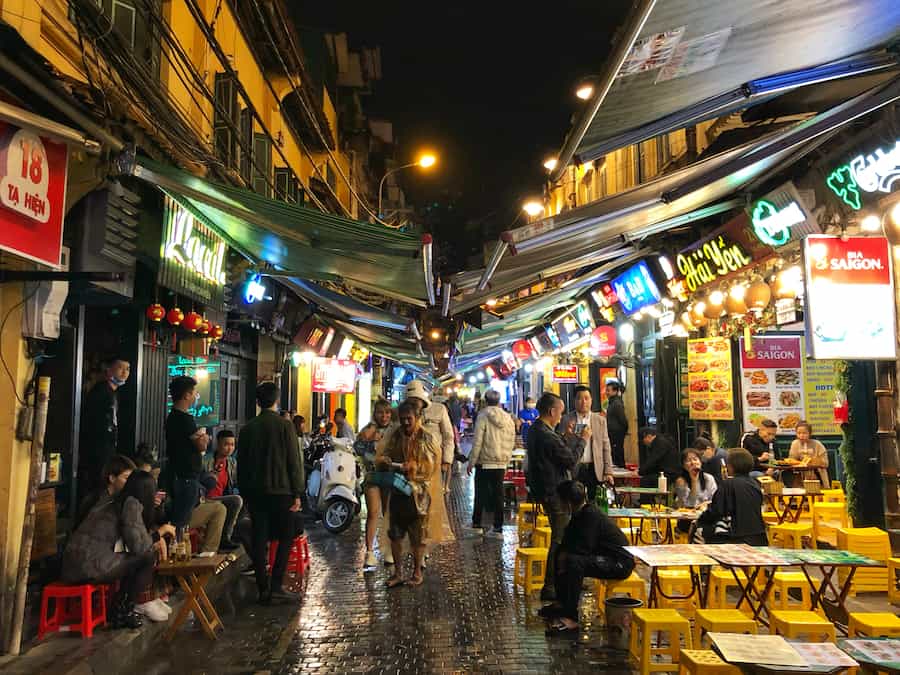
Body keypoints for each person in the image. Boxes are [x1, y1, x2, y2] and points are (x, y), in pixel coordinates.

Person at [63, 470, 176, 627]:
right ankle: (123, 611)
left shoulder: (114, 500)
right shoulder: (131, 504)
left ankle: (121, 608)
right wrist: (160, 532)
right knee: (147, 557)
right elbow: (139, 547)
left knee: (136, 557)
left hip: (72, 566)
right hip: (89, 568)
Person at [238, 382, 305, 603]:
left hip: (255, 493)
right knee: (286, 536)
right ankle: (276, 585)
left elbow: (242, 464)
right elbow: (294, 461)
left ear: (257, 402)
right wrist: (297, 492)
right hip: (281, 491)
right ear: (277, 400)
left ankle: (262, 587)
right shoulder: (285, 426)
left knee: (259, 539)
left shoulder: (248, 428)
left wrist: (245, 494)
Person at [540, 480, 634, 636]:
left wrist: (565, 557)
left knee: (574, 562)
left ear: (568, 503)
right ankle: (561, 603)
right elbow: (567, 542)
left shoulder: (590, 515)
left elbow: (583, 549)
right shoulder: (579, 514)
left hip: (619, 563)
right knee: (560, 554)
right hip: (603, 558)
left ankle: (571, 618)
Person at [526, 392, 585, 601]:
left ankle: (562, 580)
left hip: (545, 490)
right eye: (559, 412)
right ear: (552, 412)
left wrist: (566, 437)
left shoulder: (535, 430)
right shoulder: (546, 435)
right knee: (560, 539)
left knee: (562, 537)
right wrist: (582, 441)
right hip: (555, 491)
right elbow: (569, 460)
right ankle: (551, 586)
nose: (561, 417)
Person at [375, 399, 436, 588]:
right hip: (398, 491)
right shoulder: (396, 435)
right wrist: (384, 460)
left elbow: (431, 465)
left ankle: (417, 572)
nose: (406, 423)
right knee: (395, 533)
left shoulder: (426, 437)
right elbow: (385, 454)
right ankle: (398, 573)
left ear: (417, 418)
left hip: (419, 496)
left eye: (409, 418)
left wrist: (415, 467)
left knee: (418, 536)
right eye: (402, 419)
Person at [403, 380, 455, 546]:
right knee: (412, 501)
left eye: (415, 401)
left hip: (433, 465)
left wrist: (447, 460)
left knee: (429, 502)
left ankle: (424, 537)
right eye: (410, 402)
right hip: (410, 464)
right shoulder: (404, 414)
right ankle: (416, 536)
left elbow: (448, 436)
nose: (413, 404)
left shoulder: (439, 409)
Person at [78, 356, 130, 497]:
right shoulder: (100, 391)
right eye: (120, 367)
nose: (124, 372)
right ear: (108, 370)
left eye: (127, 369)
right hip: (96, 448)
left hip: (108, 447)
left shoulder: (114, 393)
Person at [467, 389, 516, 536]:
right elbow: (510, 441)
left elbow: (477, 441)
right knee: (498, 495)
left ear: (486, 400)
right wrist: (506, 460)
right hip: (500, 463)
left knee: (480, 493)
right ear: (499, 401)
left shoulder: (483, 416)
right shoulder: (508, 418)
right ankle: (498, 527)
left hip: (484, 462)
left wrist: (471, 461)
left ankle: (477, 524)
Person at [354, 399, 395, 568]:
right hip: (372, 476)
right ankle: (369, 552)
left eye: (387, 413)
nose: (384, 416)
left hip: (390, 475)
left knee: (388, 514)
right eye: (380, 412)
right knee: (373, 512)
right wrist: (374, 455)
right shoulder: (369, 429)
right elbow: (358, 448)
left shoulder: (395, 430)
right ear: (375, 413)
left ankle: (388, 549)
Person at [695, 448, 767, 546]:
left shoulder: (727, 485)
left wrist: (700, 520)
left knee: (697, 532)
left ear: (730, 466)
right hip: (758, 536)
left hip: (735, 537)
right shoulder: (755, 484)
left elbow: (716, 510)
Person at [165, 376, 209, 530]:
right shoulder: (184, 419)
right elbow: (201, 446)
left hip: (178, 475)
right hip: (186, 479)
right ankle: (176, 550)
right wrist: (204, 436)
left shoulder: (172, 417)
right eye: (194, 393)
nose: (196, 396)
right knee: (181, 521)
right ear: (186, 395)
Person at [559, 385, 615, 503]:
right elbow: (560, 445)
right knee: (573, 502)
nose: (583, 402)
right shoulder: (566, 419)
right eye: (579, 398)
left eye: (586, 398)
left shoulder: (600, 420)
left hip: (594, 468)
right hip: (574, 468)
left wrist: (608, 471)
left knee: (593, 502)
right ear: (574, 401)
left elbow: (605, 446)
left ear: (591, 400)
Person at [202, 430, 244, 548]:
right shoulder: (205, 460)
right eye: (226, 444)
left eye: (232, 444)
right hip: (206, 499)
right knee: (236, 500)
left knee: (247, 498)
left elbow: (236, 482)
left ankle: (230, 533)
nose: (229, 448)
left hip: (221, 498)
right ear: (218, 444)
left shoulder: (231, 462)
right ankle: (225, 538)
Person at [75, 454, 136, 527]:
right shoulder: (95, 501)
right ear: (112, 478)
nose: (131, 482)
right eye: (127, 478)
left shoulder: (123, 500)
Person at [788, 421, 829, 486]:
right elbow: (791, 460)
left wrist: (813, 461)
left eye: (804, 433)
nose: (801, 435)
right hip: (800, 474)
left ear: (810, 433)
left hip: (817, 474)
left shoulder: (817, 444)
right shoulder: (795, 444)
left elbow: (825, 463)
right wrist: (799, 463)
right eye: (799, 433)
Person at [605, 380, 628, 468]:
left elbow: (622, 419)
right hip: (612, 432)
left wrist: (624, 431)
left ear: (615, 391)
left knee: (617, 452)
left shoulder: (617, 403)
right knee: (615, 452)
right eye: (606, 390)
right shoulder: (612, 402)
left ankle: (621, 469)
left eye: (608, 390)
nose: (606, 392)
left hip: (617, 432)